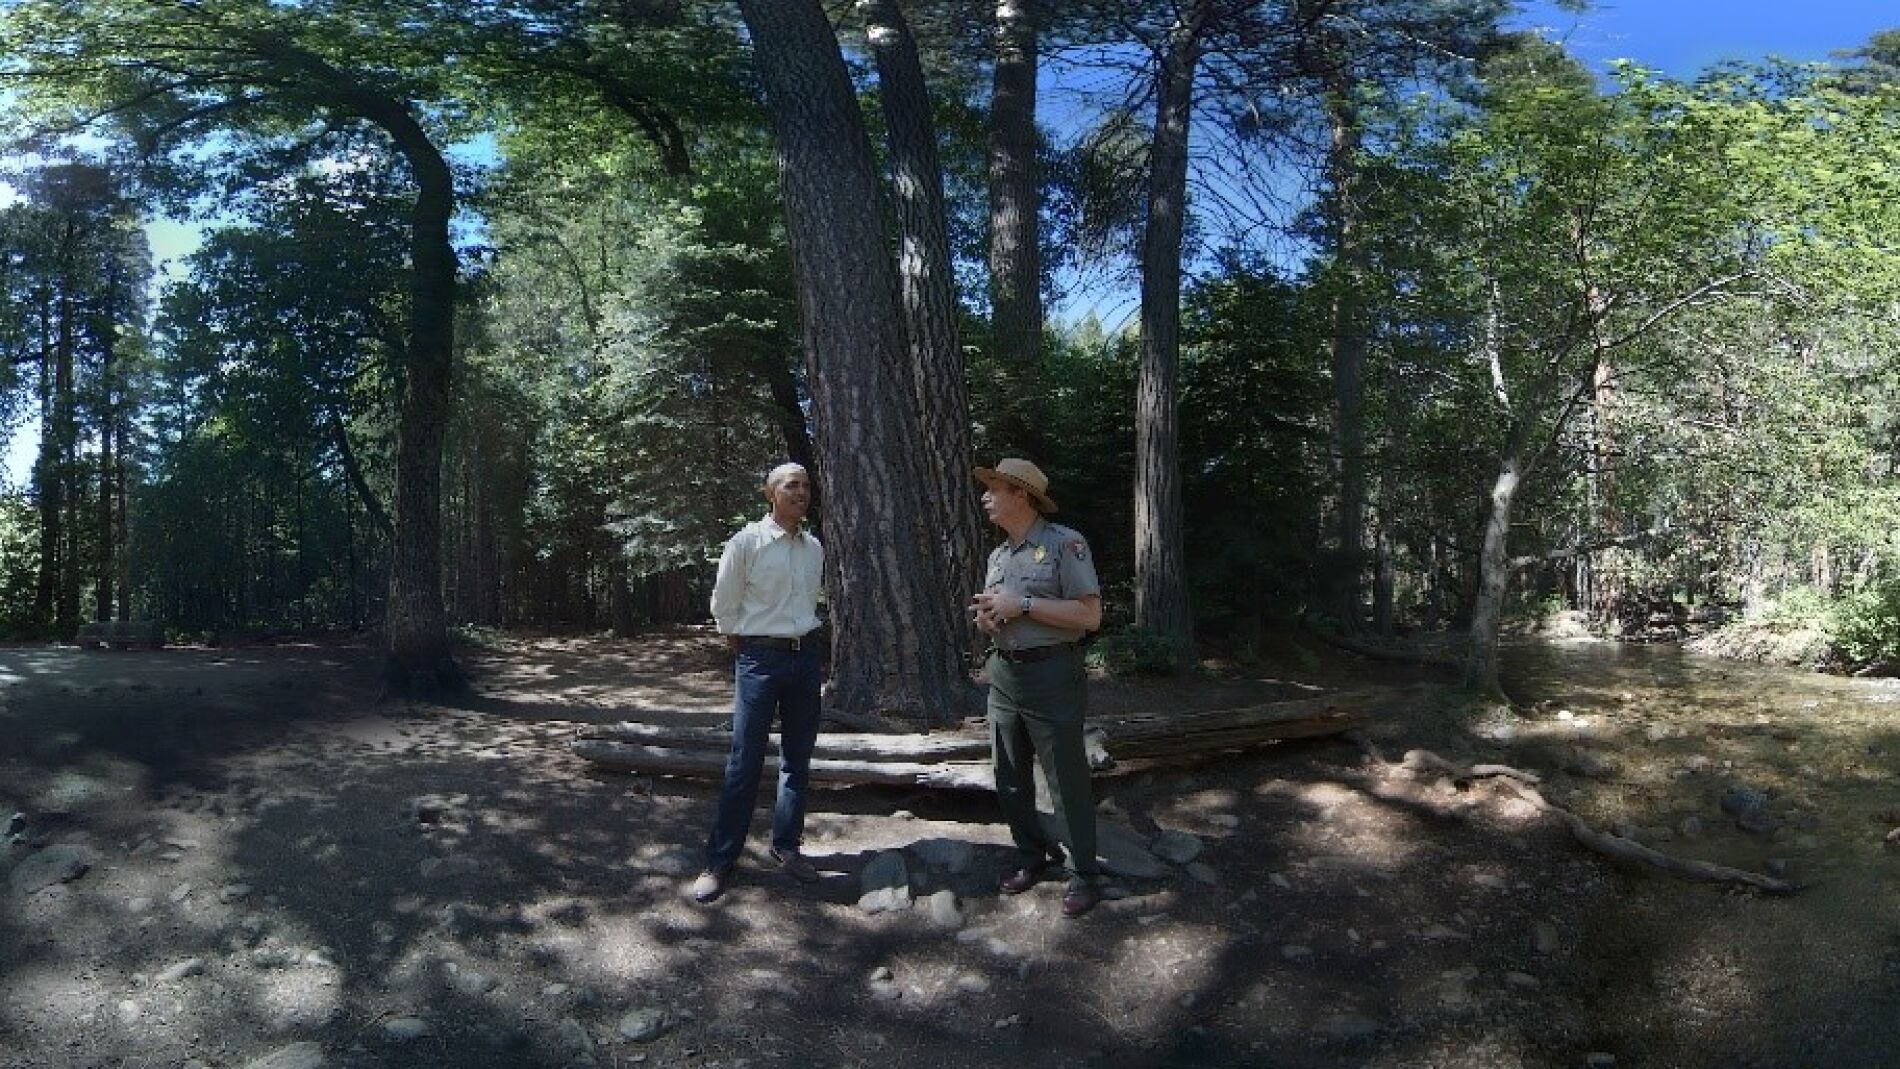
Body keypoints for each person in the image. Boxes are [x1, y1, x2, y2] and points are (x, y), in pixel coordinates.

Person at [968, 458, 1105, 917]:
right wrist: (989, 620)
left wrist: (1023, 603)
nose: (985, 497)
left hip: (1053, 674)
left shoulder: (1065, 543)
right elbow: (1002, 611)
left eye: (994, 489)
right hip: (1004, 674)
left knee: (1065, 778)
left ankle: (1084, 874)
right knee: (1008, 775)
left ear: (1021, 494)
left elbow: (1090, 616)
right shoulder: (999, 556)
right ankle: (1031, 856)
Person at [691, 462, 825, 903]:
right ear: (770, 493)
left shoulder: (813, 548)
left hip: (805, 659)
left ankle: (787, 846)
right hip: (759, 660)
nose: (801, 493)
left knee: (797, 759)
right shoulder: (746, 542)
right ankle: (720, 860)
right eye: (791, 485)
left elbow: (808, 603)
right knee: (744, 760)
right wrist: (743, 642)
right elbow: (724, 602)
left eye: (806, 486)